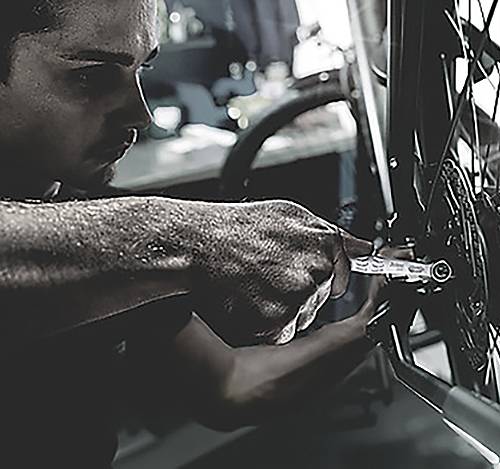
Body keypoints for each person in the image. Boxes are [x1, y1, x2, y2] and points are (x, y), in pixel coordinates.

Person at [0, 1, 393, 467]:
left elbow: (229, 383)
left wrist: (372, 321)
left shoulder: (101, 222)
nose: (139, 116)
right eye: (91, 76)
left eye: (141, 71)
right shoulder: (133, 240)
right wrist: (187, 238)